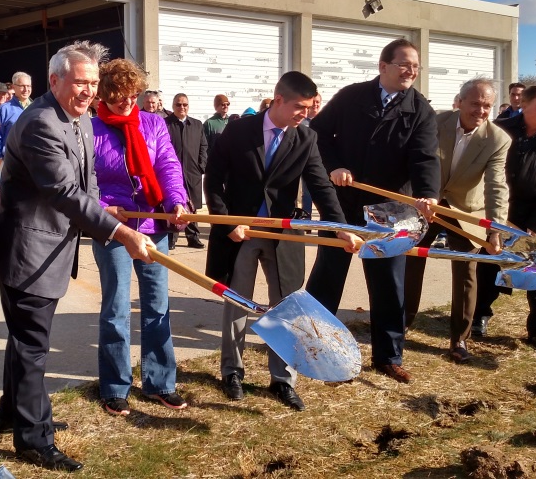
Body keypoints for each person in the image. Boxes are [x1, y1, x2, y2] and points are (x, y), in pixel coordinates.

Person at [0, 40, 152, 473]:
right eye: (81, 82)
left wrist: (106, 213)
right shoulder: (42, 121)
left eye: (94, 83)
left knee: (24, 341)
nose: (89, 91)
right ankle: (33, 438)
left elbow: (88, 180)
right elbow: (63, 191)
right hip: (28, 252)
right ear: (55, 80)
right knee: (32, 347)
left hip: (50, 248)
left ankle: (13, 412)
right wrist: (119, 232)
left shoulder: (76, 117)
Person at [205, 71, 360, 410]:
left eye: (309, 108)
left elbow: (321, 187)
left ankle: (283, 379)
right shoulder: (238, 130)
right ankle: (232, 372)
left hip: (282, 236)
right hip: (240, 232)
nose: (305, 113)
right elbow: (214, 179)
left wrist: (341, 228)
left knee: (285, 306)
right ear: (278, 100)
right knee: (238, 303)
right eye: (299, 107)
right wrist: (224, 222)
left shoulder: (306, 139)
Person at [305, 39, 439, 384]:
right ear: (383, 66)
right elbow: (318, 133)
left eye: (416, 66)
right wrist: (333, 166)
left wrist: (426, 194)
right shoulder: (352, 96)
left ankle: (389, 356)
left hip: (391, 210)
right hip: (344, 203)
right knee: (328, 275)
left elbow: (424, 156)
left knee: (389, 284)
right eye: (404, 64)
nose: (411, 71)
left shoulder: (420, 109)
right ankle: (311, 344)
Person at [90, 58, 191, 416]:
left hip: (153, 226)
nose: (128, 103)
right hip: (115, 229)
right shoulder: (89, 129)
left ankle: (160, 382)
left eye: (133, 96)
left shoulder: (153, 123)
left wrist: (177, 199)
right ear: (103, 95)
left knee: (157, 306)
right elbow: (84, 182)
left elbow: (167, 164)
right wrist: (104, 209)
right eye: (119, 97)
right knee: (116, 309)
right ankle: (115, 386)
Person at [401, 79, 510, 363]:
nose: (481, 110)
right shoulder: (436, 123)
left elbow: (497, 186)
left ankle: (459, 340)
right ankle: (402, 323)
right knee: (411, 259)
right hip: (427, 203)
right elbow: (414, 160)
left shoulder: (498, 139)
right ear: (458, 101)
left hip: (466, 210)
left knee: (466, 271)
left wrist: (495, 228)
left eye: (487, 105)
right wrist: (418, 197)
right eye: (475, 103)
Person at [474, 85, 536, 355]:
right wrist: (494, 215)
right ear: (525, 105)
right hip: (497, 212)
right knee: (490, 266)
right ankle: (479, 317)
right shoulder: (500, 129)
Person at [165, 93, 207, 249]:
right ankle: (171, 237)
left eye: (184, 105)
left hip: (192, 172)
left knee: (192, 207)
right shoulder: (166, 124)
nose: (181, 107)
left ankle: (193, 237)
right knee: (173, 204)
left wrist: (201, 165)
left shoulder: (196, 124)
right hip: (172, 173)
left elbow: (204, 146)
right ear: (173, 106)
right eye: (178, 104)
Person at [0, 72, 34, 164]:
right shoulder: (3, 110)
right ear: (13, 87)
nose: (26, 89)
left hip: (33, 161)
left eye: (28, 86)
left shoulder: (37, 108)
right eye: (22, 86)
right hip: (10, 162)